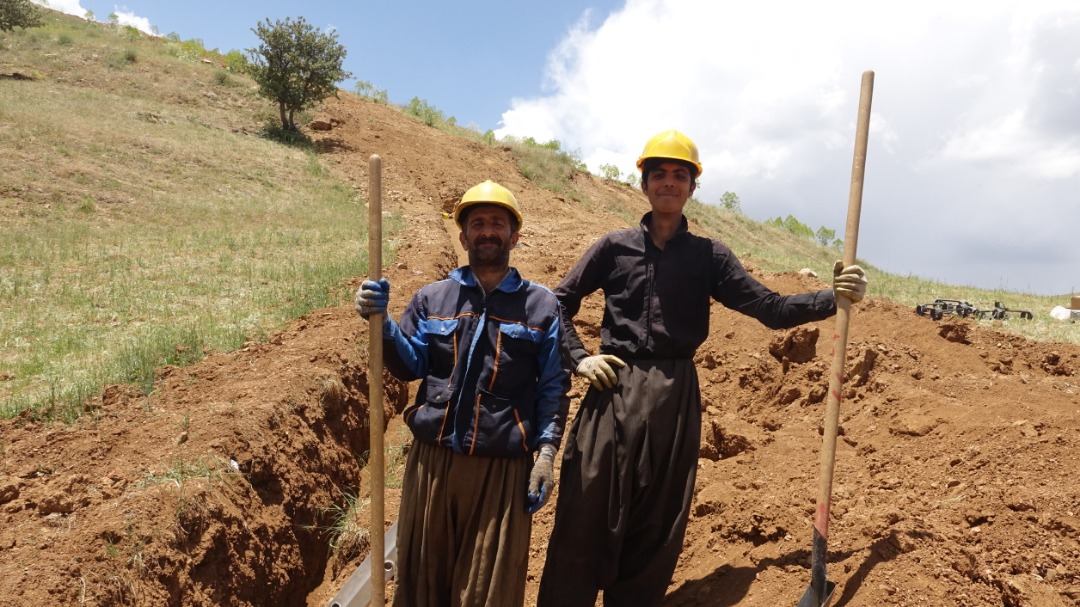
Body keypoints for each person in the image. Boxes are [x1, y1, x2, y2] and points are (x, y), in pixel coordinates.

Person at [536, 130, 868, 606]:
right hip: (613, 388)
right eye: (659, 174)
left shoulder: (709, 256)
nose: (668, 182)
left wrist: (830, 297)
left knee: (657, 521)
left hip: (675, 395)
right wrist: (580, 357)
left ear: (693, 186)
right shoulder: (613, 247)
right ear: (644, 183)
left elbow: (769, 308)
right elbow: (555, 304)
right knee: (585, 509)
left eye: (679, 175)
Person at [355, 179, 571, 607]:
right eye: (477, 223)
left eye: (497, 223)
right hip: (433, 466)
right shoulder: (432, 297)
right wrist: (381, 323)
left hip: (500, 470)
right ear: (463, 236)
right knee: (422, 580)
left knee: (486, 590)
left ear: (515, 235)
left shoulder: (543, 307)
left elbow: (553, 386)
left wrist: (546, 454)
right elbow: (410, 364)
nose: (487, 231)